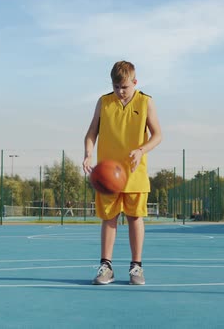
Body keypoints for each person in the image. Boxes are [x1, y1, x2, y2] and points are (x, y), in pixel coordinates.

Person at [83, 61, 162, 285]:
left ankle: (136, 267)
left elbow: (157, 135)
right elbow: (91, 134)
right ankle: (106, 266)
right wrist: (88, 154)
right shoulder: (104, 102)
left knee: (135, 217)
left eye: (124, 87)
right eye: (116, 86)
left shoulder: (146, 101)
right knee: (109, 218)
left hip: (134, 172)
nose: (120, 91)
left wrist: (141, 150)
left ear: (135, 82)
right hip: (108, 174)